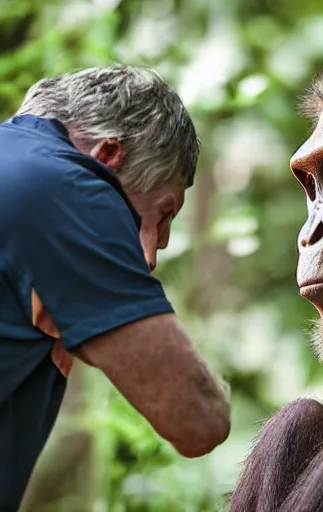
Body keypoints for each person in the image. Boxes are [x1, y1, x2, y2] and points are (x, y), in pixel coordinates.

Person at [0, 65, 231, 510]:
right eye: (161, 216)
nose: (148, 258)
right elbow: (198, 420)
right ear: (108, 155)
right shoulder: (67, 189)